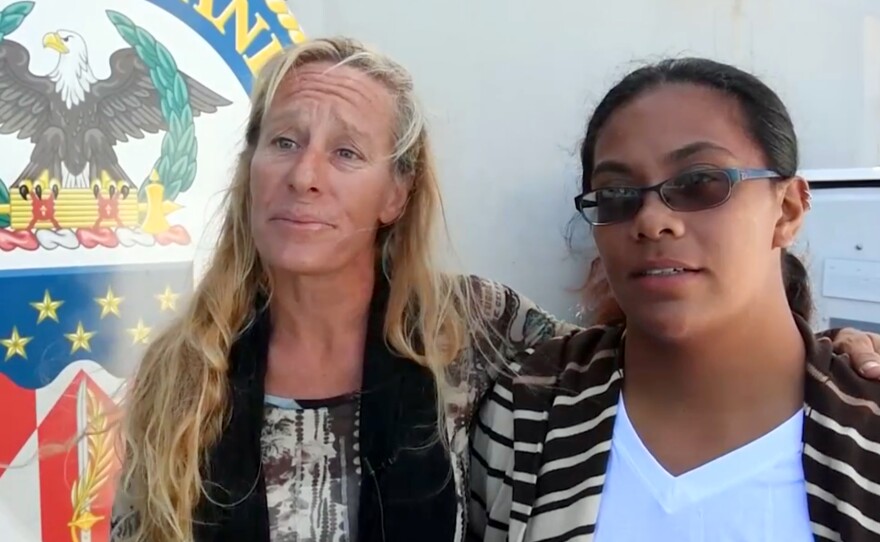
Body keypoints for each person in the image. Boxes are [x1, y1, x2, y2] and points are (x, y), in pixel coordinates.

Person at [109, 39, 880, 542]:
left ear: (396, 193)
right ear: (249, 168)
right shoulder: (185, 371)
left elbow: (642, 343)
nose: (304, 175)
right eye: (283, 142)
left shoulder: (476, 329)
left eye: (346, 152)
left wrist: (836, 358)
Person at [470, 58, 880, 542]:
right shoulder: (527, 414)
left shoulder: (865, 425)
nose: (651, 220)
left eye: (698, 184)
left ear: (787, 209)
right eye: (617, 194)